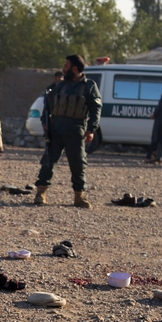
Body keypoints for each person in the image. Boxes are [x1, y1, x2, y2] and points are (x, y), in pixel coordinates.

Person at [33, 55, 102, 208]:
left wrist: (91, 129)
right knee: (48, 161)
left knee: (78, 164)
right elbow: (48, 106)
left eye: (66, 66)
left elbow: (96, 109)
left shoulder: (89, 86)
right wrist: (45, 124)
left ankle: (79, 196)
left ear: (75, 69)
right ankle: (41, 192)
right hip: (56, 130)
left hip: (75, 131)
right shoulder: (60, 85)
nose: (63, 69)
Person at [144, 82, 162, 164]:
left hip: (160, 123)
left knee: (156, 141)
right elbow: (158, 109)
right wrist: (154, 115)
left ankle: (149, 157)